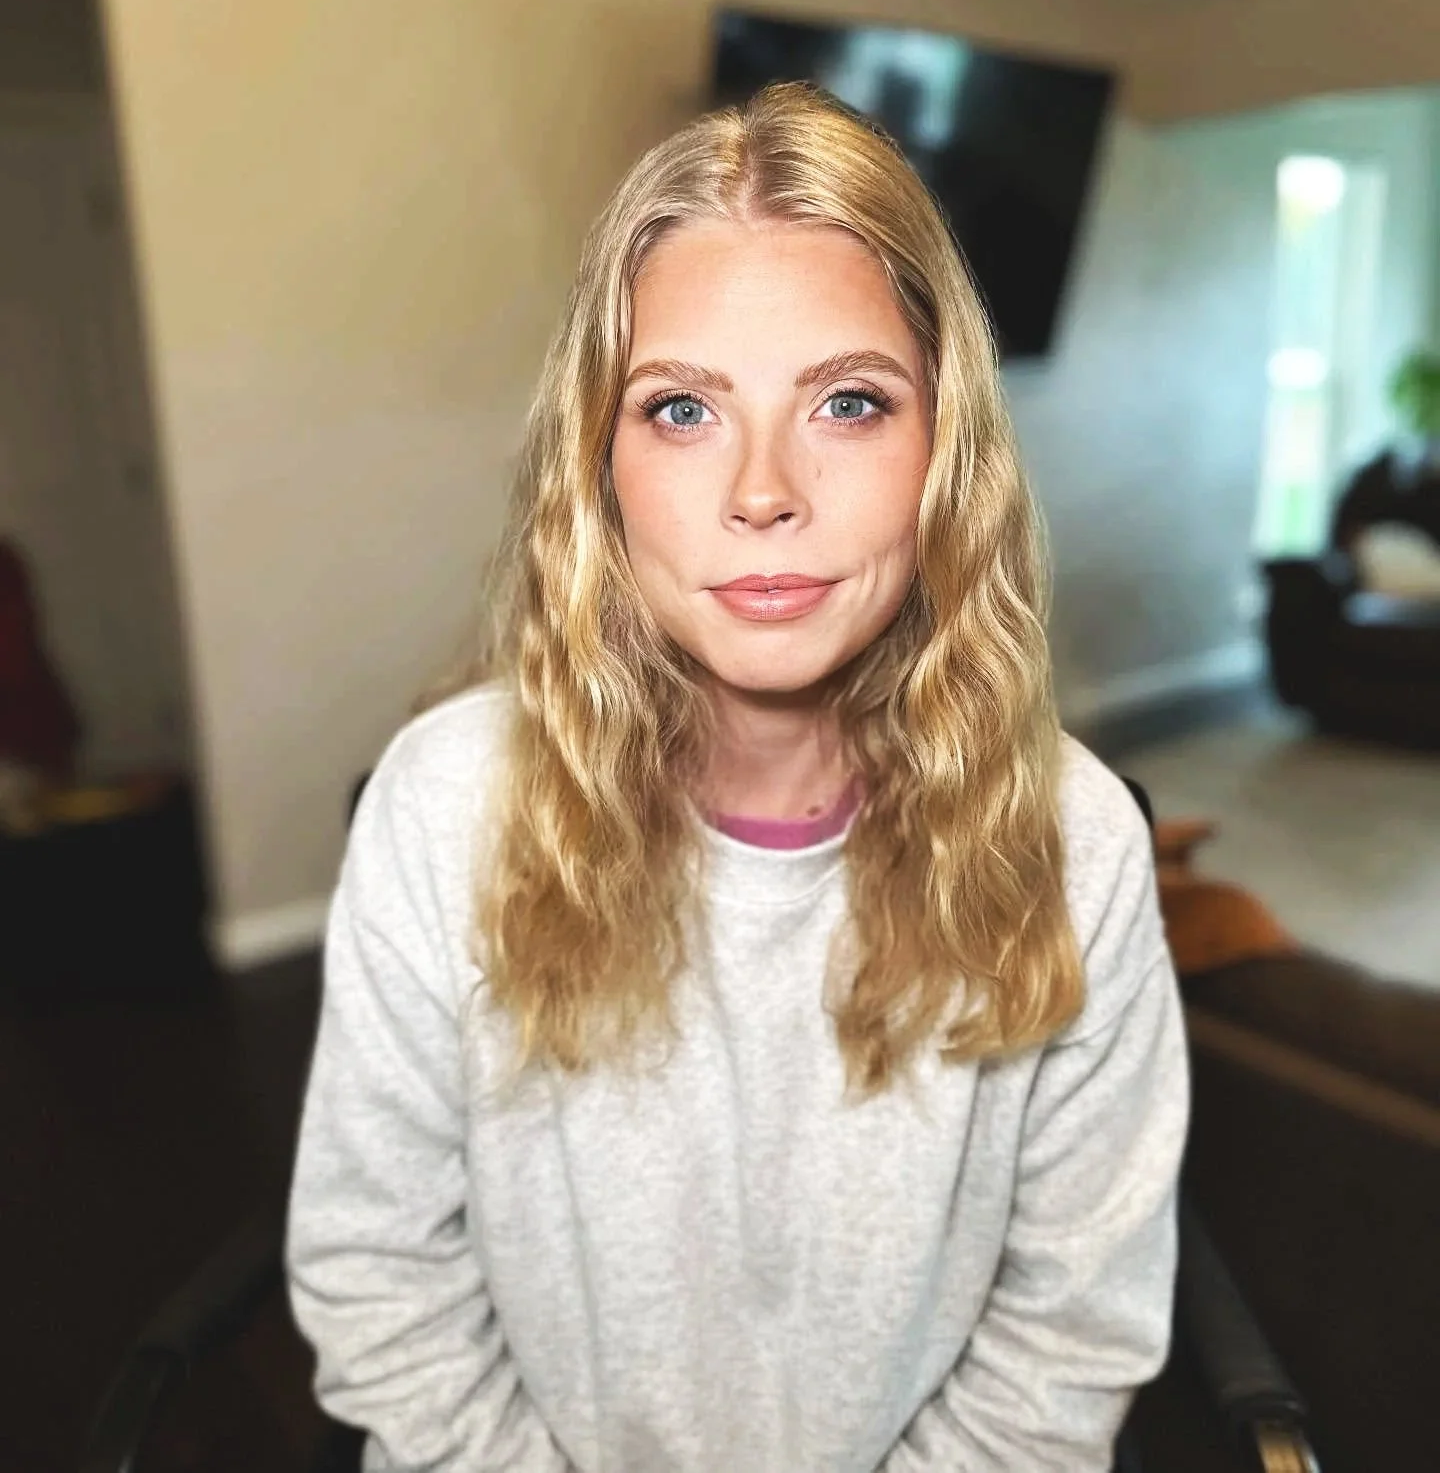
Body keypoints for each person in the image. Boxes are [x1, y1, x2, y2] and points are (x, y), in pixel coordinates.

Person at [286, 82, 1189, 1472]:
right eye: (683, 412)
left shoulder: (1076, 843)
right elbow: (378, 1277)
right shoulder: (442, 806)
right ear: (601, 468)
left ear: (943, 452)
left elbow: (1072, 1325)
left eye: (847, 401)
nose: (764, 489)